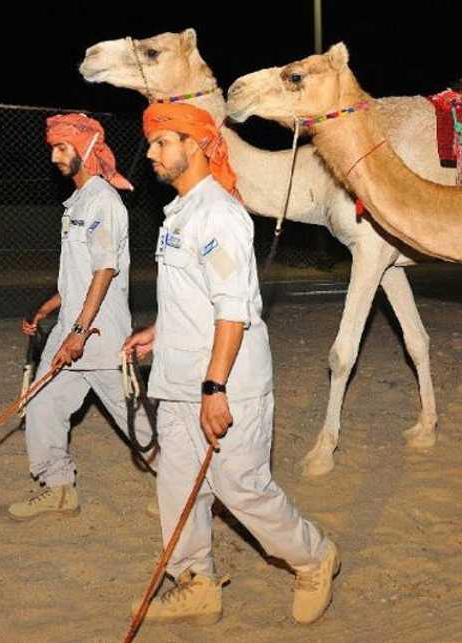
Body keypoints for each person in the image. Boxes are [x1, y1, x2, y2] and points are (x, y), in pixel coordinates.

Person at [123, 102, 338, 626]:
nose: (151, 153)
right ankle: (195, 582)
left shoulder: (218, 215)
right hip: (178, 379)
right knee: (178, 487)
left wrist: (214, 386)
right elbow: (197, 296)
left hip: (225, 384)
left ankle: (314, 557)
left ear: (194, 145)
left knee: (242, 489)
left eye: (162, 142)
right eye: (151, 142)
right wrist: (160, 331)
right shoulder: (181, 211)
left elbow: (234, 309)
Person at [8, 114, 153, 521]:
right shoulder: (79, 203)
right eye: (52, 147)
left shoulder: (103, 202)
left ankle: (191, 484)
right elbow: (81, 274)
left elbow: (105, 270)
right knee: (41, 405)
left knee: (136, 424)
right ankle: (58, 488)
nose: (54, 155)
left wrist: (78, 331)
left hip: (98, 336)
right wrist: (48, 307)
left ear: (86, 150)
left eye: (62, 147)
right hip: (73, 328)